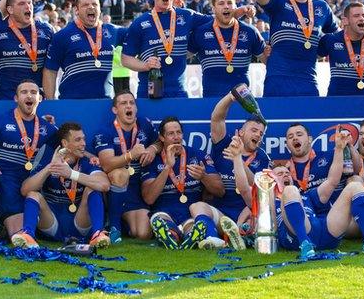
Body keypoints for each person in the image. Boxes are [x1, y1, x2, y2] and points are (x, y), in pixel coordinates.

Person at [227, 131, 364, 258]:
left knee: (355, 186)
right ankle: (305, 245)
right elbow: (244, 189)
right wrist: (236, 157)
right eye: (279, 173)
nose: (284, 175)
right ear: (272, 179)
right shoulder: (267, 198)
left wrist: (339, 149)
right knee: (290, 191)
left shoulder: (306, 195)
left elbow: (332, 181)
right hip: (295, 237)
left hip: (325, 233)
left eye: (286, 172)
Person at [121, 0, 253, 98]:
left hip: (179, 92)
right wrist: (145, 65)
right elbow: (125, 59)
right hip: (149, 92)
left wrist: (238, 11)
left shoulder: (187, 16)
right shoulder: (140, 23)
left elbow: (217, 19)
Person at [248, 0, 340, 96]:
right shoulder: (278, 2)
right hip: (277, 81)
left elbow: (338, 37)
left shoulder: (321, 7)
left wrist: (320, 51)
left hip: (308, 81)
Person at [0, 79, 58, 241]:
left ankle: (3, 226)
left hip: (26, 187)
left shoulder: (48, 128)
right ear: (16, 98)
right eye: (24, 92)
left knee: (18, 237)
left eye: (34, 92)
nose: (29, 96)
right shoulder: (0, 121)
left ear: (40, 98)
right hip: (2, 182)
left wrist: (91, 158)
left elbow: (70, 147)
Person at [186, 91, 270, 249]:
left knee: (258, 218)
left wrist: (238, 159)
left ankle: (242, 235)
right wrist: (232, 96)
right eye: (254, 130)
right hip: (222, 214)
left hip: (246, 213)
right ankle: (213, 238)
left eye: (261, 133)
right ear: (241, 132)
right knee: (196, 206)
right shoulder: (223, 144)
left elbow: (257, 187)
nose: (258, 135)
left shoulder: (263, 158)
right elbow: (216, 118)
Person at [10, 122, 111, 248]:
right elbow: (25, 190)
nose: (83, 143)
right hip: (52, 222)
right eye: (78, 140)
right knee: (33, 194)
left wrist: (71, 174)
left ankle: (97, 234)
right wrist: (49, 168)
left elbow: (104, 185)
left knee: (93, 188)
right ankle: (28, 235)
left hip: (80, 223)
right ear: (64, 143)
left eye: (84, 139)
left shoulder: (86, 162)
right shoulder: (49, 160)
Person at [141, 117, 224, 249]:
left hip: (190, 211)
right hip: (164, 210)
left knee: (191, 225)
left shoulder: (198, 155)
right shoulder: (153, 160)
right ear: (162, 138)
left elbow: (220, 190)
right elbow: (149, 198)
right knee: (160, 219)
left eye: (178, 132)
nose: (176, 137)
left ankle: (190, 236)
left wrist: (203, 177)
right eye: (171, 134)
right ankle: (170, 235)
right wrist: (167, 167)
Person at [93, 90, 159, 243]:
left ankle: (124, 223)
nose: (128, 106)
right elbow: (107, 164)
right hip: (115, 189)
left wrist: (152, 149)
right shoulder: (105, 131)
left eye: (131, 103)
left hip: (138, 189)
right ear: (115, 110)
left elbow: (160, 141)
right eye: (123, 103)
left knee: (143, 234)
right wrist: (131, 155)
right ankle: (114, 225)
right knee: (120, 173)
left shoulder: (145, 124)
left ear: (135, 108)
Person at [43, 0, 127, 99]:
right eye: (85, 5)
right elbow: (50, 70)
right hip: (72, 105)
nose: (91, 7)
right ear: (76, 10)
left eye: (95, 4)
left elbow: (138, 34)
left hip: (105, 105)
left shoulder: (113, 31)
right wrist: (51, 103)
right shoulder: (62, 36)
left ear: (100, 9)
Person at [188, 0, 267, 97]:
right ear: (213, 9)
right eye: (221, 3)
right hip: (211, 102)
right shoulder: (201, 32)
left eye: (230, 3)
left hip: (242, 102)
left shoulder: (250, 32)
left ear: (235, 7)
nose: (226, 6)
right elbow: (181, 57)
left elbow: (270, 61)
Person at [0, 0, 54, 99]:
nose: (28, 6)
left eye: (29, 3)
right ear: (10, 9)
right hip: (6, 99)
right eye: (21, 4)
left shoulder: (47, 30)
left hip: (37, 101)